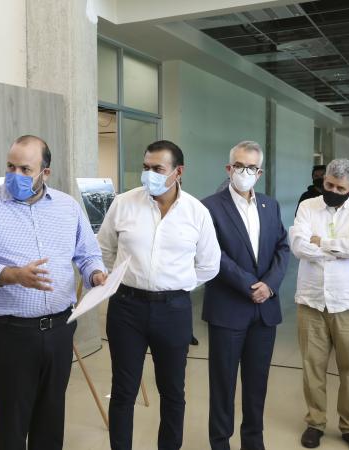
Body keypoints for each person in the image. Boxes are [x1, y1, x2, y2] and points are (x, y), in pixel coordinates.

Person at [0, 135, 106, 450]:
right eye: (10, 166)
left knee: (51, 418)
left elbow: (87, 253)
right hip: (11, 334)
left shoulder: (67, 206)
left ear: (45, 173)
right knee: (13, 422)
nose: (15, 175)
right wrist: (12, 275)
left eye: (25, 169)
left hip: (60, 329)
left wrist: (95, 273)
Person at [98, 140, 221, 450]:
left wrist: (177, 285)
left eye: (157, 169)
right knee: (123, 390)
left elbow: (210, 264)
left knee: (172, 391)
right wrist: (120, 277)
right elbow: (104, 249)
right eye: (145, 167)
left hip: (173, 310)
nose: (149, 175)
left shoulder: (197, 212)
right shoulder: (124, 203)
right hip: (126, 308)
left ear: (178, 172)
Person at [201, 141, 290, 450]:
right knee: (222, 385)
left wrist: (270, 285)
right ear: (229, 168)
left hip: (264, 311)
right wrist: (252, 285)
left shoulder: (270, 205)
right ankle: (220, 443)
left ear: (259, 172)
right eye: (239, 166)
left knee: (256, 385)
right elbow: (214, 254)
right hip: (228, 309)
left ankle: (253, 442)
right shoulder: (209, 207)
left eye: (251, 167)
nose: (245, 172)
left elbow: (282, 248)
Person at [290, 158, 349, 450]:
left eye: (340, 188)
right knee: (313, 367)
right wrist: (339, 249)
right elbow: (298, 245)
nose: (332, 191)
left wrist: (320, 243)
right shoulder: (308, 206)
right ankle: (315, 423)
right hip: (311, 301)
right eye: (328, 185)